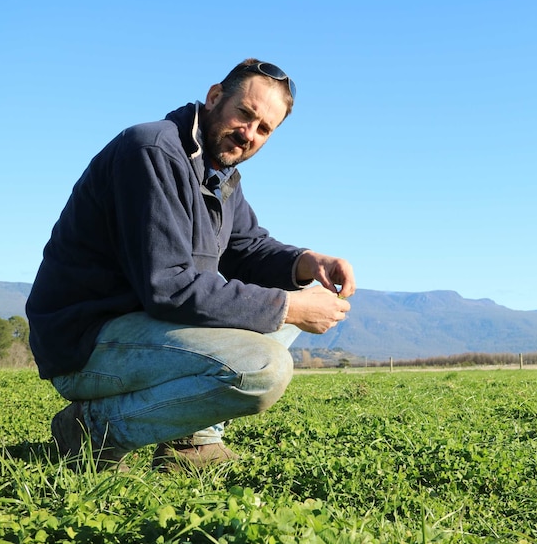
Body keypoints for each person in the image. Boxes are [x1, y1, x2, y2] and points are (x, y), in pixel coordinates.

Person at [26, 58, 355, 471]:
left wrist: (309, 263)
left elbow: (249, 248)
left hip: (146, 330)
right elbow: (170, 287)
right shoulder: (153, 152)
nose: (248, 133)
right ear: (215, 97)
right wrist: (291, 307)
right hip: (86, 341)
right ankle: (92, 431)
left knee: (283, 316)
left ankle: (191, 444)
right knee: (264, 367)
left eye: (264, 128)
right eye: (245, 114)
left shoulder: (218, 174)